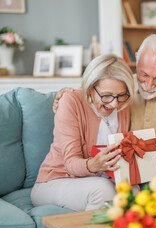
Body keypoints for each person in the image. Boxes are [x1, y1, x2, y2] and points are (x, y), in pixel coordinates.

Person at [54, 34, 156, 196]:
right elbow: (92, 95)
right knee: (139, 204)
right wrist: (65, 95)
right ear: (136, 59)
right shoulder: (122, 88)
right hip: (140, 173)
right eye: (144, 74)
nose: (148, 85)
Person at [31, 54, 135, 211]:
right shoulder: (70, 102)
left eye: (120, 95)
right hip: (57, 179)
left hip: (101, 179)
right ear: (90, 88)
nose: (114, 104)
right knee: (102, 189)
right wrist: (94, 164)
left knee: (134, 192)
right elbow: (71, 163)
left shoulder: (123, 105)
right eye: (106, 96)